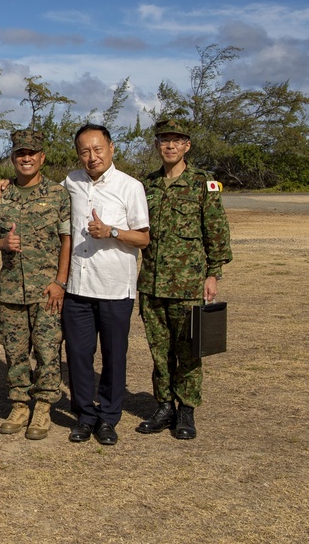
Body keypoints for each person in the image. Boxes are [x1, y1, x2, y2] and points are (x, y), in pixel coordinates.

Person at [136, 118, 232, 440]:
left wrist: (213, 274)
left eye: (177, 141)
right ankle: (164, 407)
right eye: (165, 140)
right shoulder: (146, 186)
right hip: (151, 284)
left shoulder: (203, 183)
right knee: (159, 352)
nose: (170, 146)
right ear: (157, 145)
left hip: (188, 284)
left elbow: (217, 232)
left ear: (187, 145)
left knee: (189, 351)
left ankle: (186, 411)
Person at [0, 128, 71, 440]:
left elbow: (67, 239)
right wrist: (2, 243)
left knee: (47, 350)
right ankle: (20, 403)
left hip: (47, 291)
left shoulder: (58, 195)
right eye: (21, 153)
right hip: (11, 291)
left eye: (32, 153)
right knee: (14, 350)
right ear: (13, 157)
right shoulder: (0, 197)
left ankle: (43, 405)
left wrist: (61, 281)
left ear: (42, 157)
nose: (26, 158)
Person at [62, 123, 149, 446]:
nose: (92, 156)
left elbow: (143, 237)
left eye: (98, 149)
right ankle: (85, 416)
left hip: (115, 289)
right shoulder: (71, 182)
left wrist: (112, 231)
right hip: (78, 288)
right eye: (85, 151)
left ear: (112, 148)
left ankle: (109, 418)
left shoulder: (130, 187)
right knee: (79, 355)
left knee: (114, 355)